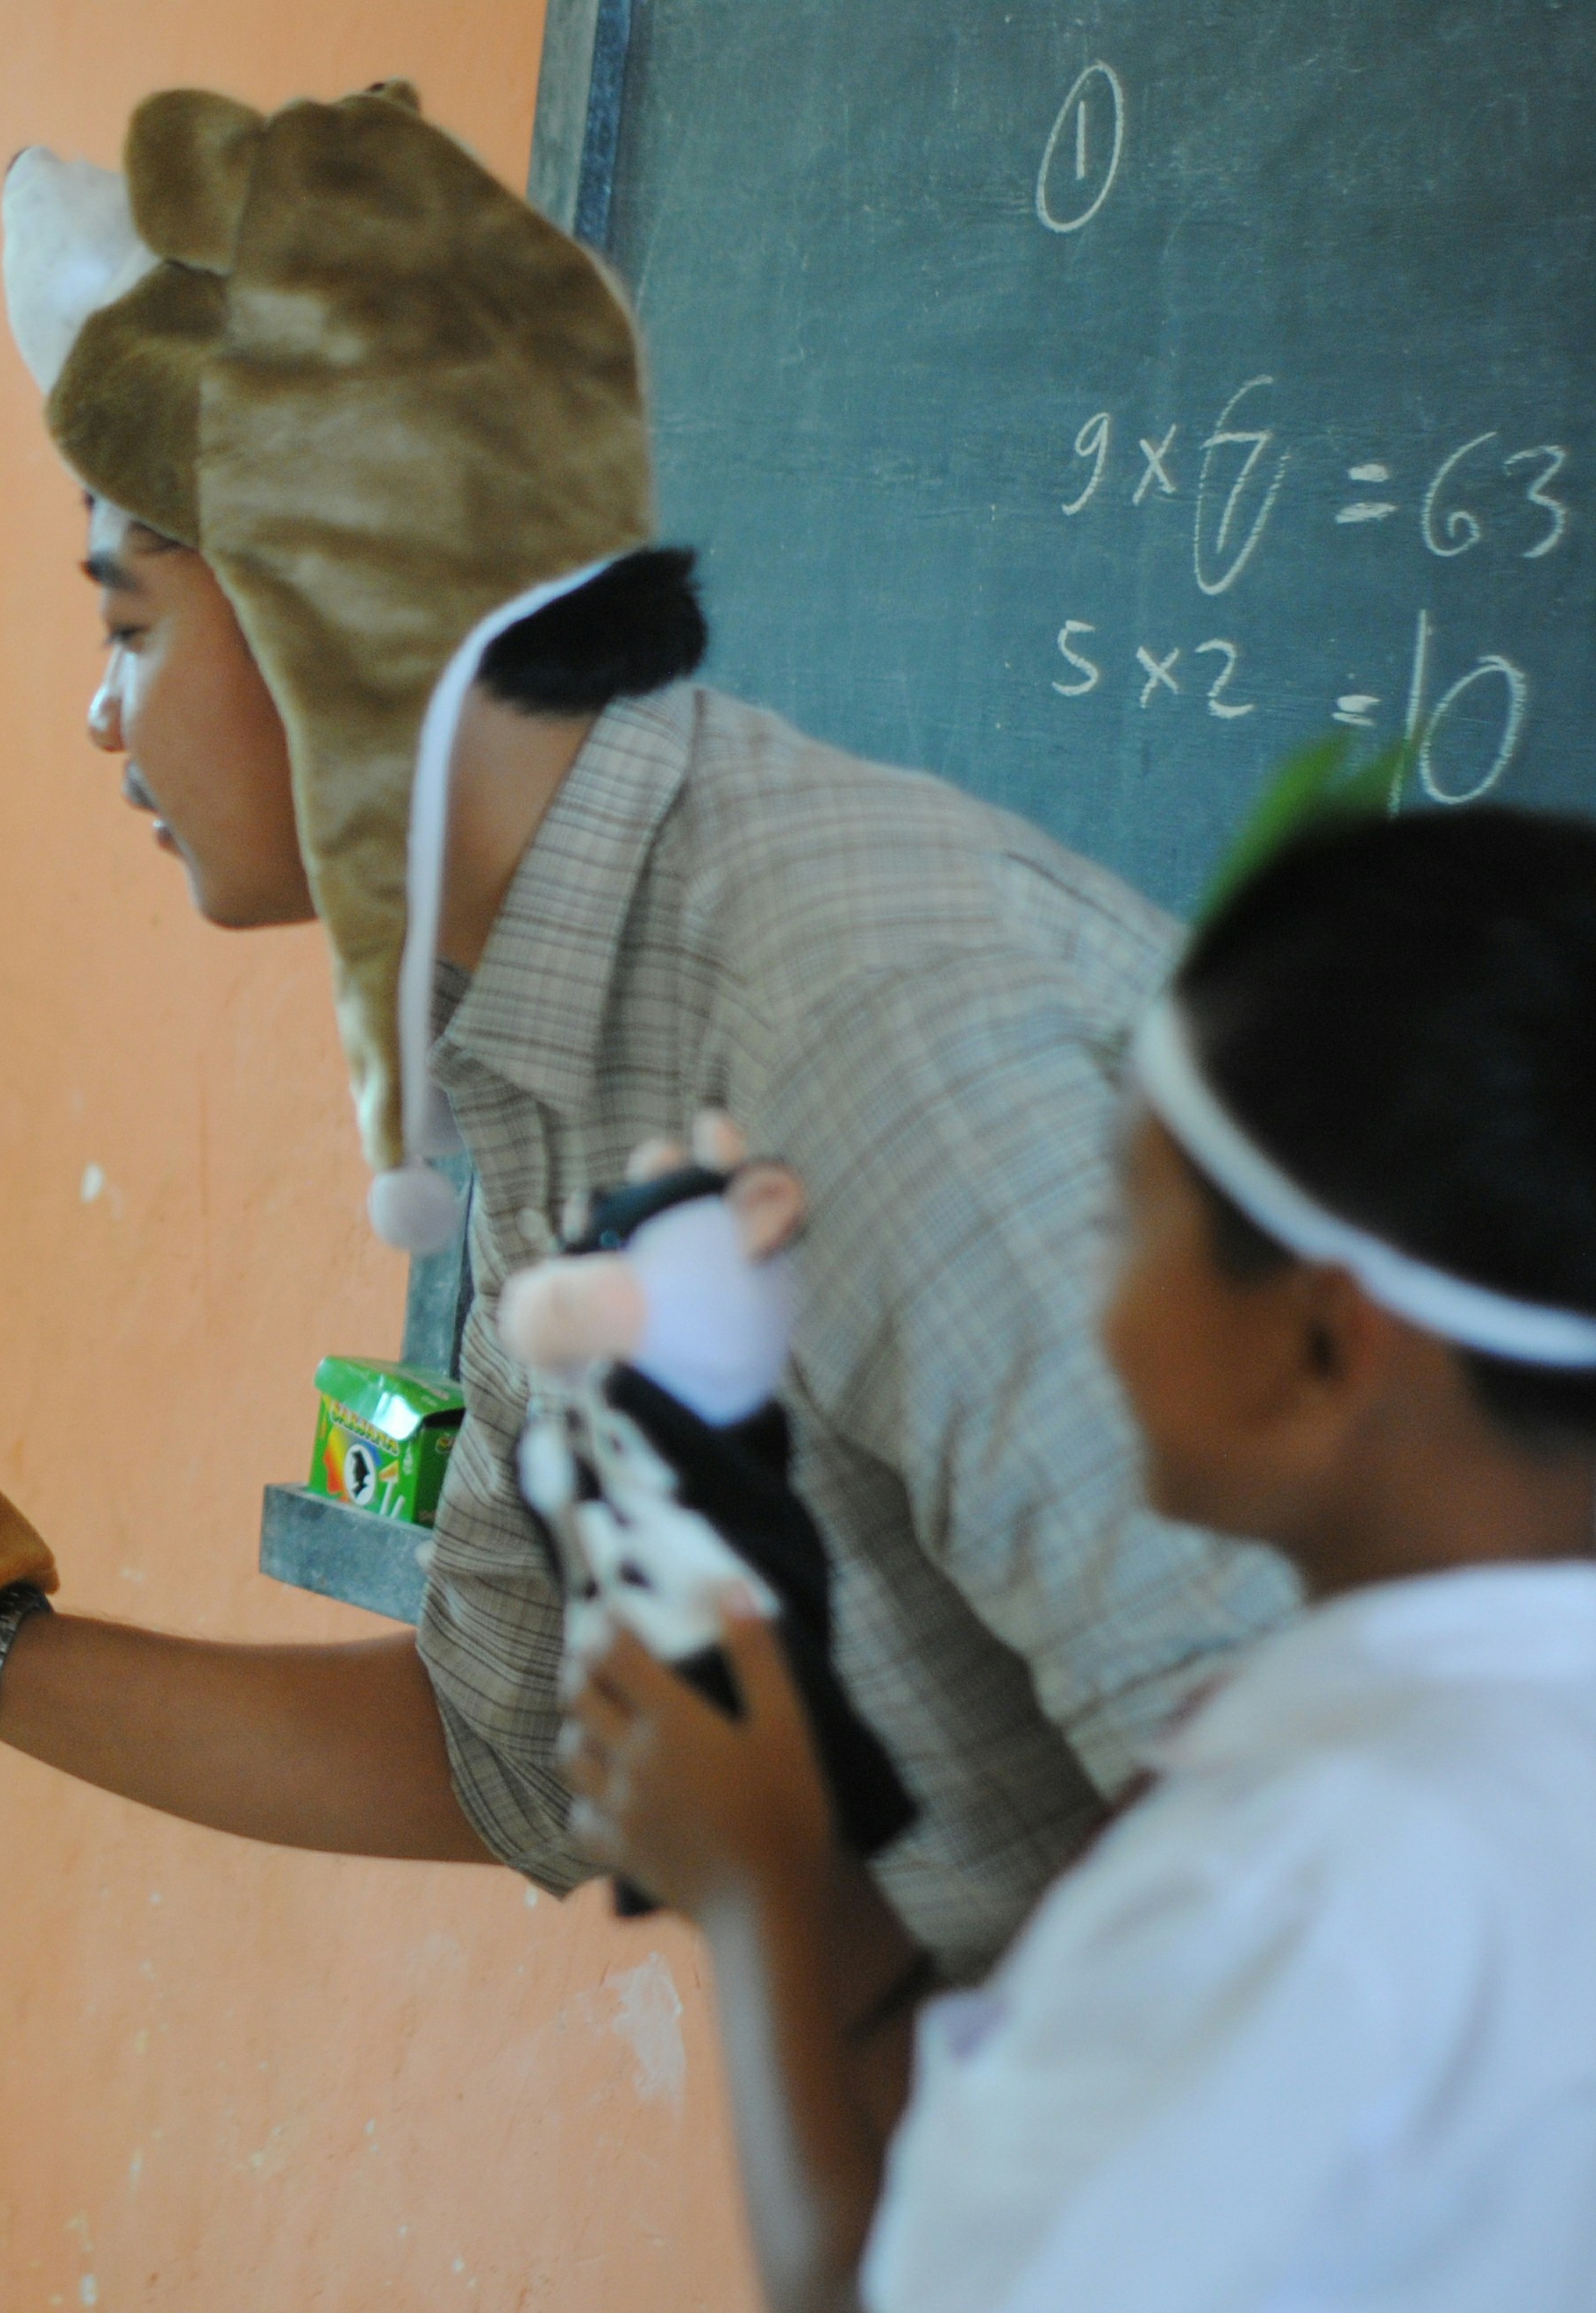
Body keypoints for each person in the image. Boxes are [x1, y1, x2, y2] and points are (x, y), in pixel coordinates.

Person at [0, 79, 1291, 1980]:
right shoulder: (554, 1049)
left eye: (132, 623)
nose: (102, 717)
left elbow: (1313, 1851)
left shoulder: (848, 1020)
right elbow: (518, 1761)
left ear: (336, 606)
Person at [557, 806, 1596, 2313]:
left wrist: (760, 1896)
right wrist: (803, 1809)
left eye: (1125, 1219)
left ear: (1318, 1344)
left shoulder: (1305, 1872)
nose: (1092, 1295)